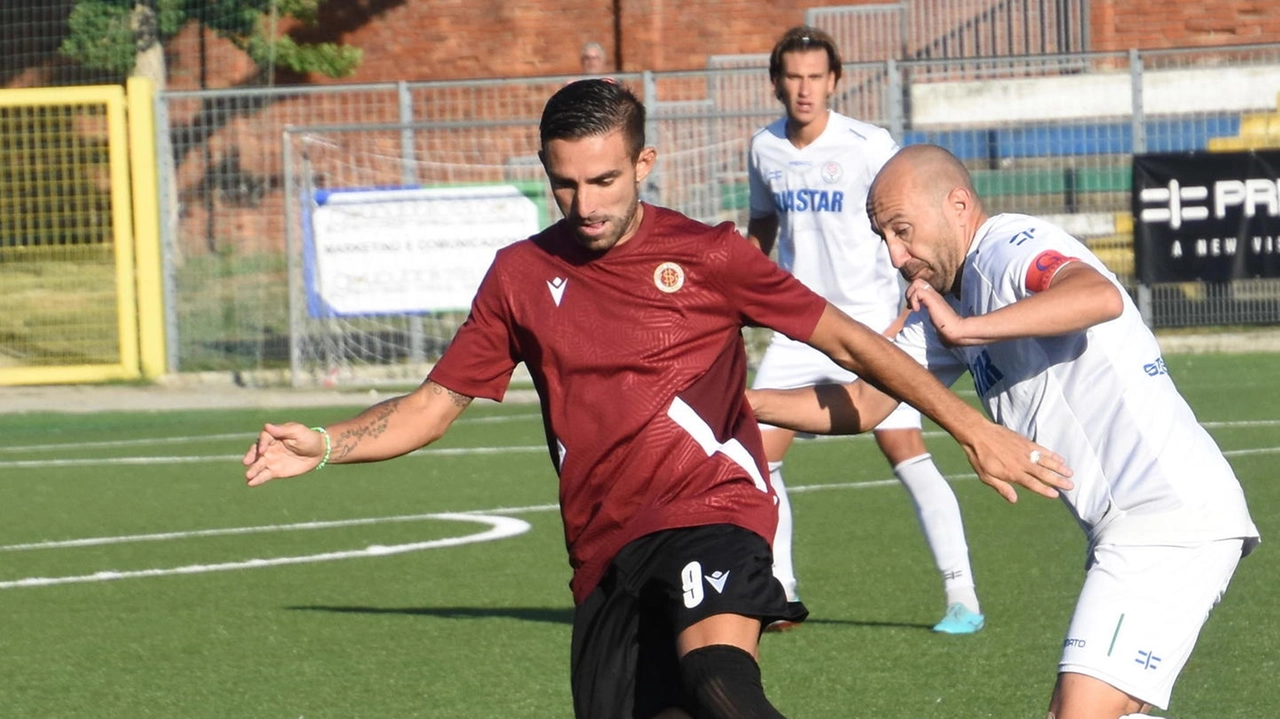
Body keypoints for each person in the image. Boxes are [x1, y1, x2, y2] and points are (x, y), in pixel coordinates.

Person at [243, 83, 1069, 719]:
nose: (587, 203)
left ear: (643, 164)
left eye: (605, 178)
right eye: (565, 184)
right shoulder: (519, 277)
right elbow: (434, 404)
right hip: (602, 552)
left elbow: (854, 344)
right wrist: (323, 443)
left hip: (710, 507)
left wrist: (966, 425)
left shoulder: (709, 255)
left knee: (717, 673)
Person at [746, 143, 1260, 719]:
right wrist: (744, 404)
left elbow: (1097, 295)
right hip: (1131, 528)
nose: (895, 255)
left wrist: (968, 331)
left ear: (959, 205)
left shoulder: (1008, 247)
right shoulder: (946, 305)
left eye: (902, 230)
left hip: (1167, 519)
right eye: (883, 237)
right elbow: (865, 403)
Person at [746, 26, 984, 634]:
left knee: (906, 451)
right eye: (793, 77)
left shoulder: (868, 143)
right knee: (755, 454)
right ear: (777, 82)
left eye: (815, 77)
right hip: (799, 330)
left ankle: (963, 597)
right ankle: (779, 591)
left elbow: (910, 218)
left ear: (834, 81)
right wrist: (742, 292)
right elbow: (763, 228)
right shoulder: (764, 148)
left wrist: (909, 305)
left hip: (870, 328)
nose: (804, 89)